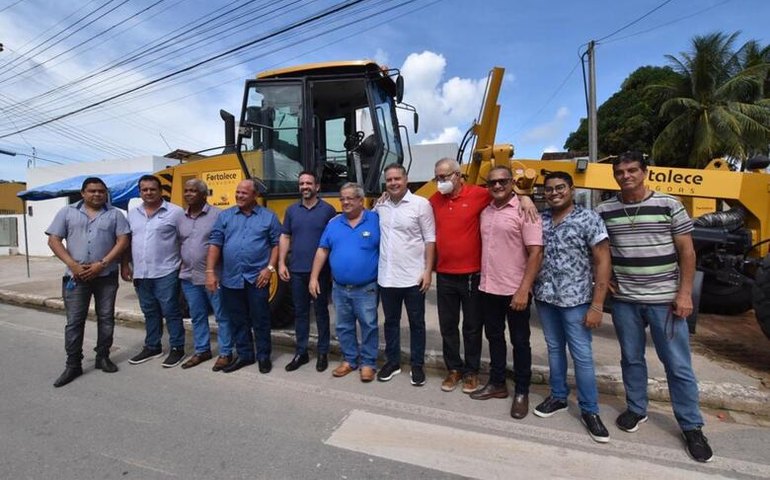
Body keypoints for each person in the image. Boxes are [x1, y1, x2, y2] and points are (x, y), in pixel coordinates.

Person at [595, 151, 713, 462]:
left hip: (665, 301)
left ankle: (691, 426)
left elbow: (687, 253)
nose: (626, 176)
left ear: (645, 172)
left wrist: (685, 293)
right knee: (631, 360)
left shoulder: (669, 205)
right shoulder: (604, 210)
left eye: (632, 170)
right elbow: (598, 251)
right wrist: (604, 281)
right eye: (620, 172)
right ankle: (636, 409)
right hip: (625, 302)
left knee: (677, 366)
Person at [429, 157, 537, 394]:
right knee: (448, 326)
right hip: (445, 275)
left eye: (444, 176)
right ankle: (453, 370)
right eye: (437, 177)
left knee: (472, 327)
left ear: (458, 176)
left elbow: (505, 193)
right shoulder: (434, 200)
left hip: (472, 275)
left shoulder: (479, 194)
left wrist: (525, 197)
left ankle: (471, 372)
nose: (440, 181)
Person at [533, 171, 611, 442]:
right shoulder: (540, 219)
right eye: (549, 190)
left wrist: (597, 304)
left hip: (576, 301)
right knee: (554, 349)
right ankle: (558, 397)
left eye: (560, 188)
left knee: (582, 356)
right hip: (546, 298)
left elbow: (602, 260)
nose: (554, 193)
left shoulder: (588, 218)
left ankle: (590, 410)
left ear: (571, 189)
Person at [470, 165, 542, 422]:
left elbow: (536, 253)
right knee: (495, 338)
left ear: (512, 182)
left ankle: (522, 391)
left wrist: (524, 290)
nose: (497, 186)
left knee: (520, 342)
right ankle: (497, 383)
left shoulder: (525, 211)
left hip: (515, 291)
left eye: (502, 181)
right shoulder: (485, 211)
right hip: (488, 288)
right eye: (492, 183)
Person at [46, 177, 130, 387]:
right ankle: (73, 364)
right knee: (74, 321)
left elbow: (123, 241)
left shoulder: (115, 214)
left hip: (106, 276)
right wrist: (72, 264)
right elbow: (53, 240)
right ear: (83, 193)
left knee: (106, 317)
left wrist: (103, 263)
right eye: (92, 191)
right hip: (76, 276)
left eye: (101, 191)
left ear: (106, 193)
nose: (97, 194)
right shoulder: (67, 213)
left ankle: (103, 356)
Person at [206, 179, 281, 374]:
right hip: (231, 278)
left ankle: (264, 356)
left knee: (261, 319)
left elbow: (276, 244)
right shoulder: (225, 216)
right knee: (238, 320)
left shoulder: (268, 217)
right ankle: (245, 355)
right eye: (237, 192)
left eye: (244, 193)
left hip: (257, 278)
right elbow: (215, 243)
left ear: (255, 195)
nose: (239, 196)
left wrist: (269, 268)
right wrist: (210, 271)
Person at [309, 182, 380, 383]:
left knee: (369, 325)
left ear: (360, 199)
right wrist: (313, 277)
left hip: (366, 288)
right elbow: (322, 250)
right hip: (339, 288)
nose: (345, 202)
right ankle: (350, 359)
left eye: (350, 198)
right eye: (342, 198)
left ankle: (368, 363)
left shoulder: (375, 220)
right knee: (343, 326)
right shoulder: (334, 224)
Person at [375, 163, 435, 386]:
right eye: (389, 180)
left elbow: (430, 239)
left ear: (406, 179)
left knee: (416, 323)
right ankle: (393, 362)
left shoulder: (421, 205)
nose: (393, 183)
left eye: (397, 179)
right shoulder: (381, 207)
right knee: (390, 322)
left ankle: (417, 365)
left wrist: (428, 271)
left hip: (413, 277)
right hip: (387, 277)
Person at [122, 175, 186, 367]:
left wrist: (184, 264)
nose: (148, 192)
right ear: (140, 192)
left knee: (171, 311)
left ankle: (177, 348)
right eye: (144, 189)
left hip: (167, 271)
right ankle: (152, 346)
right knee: (149, 311)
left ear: (160, 191)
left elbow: (185, 239)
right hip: (141, 273)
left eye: (152, 189)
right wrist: (124, 265)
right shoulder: (133, 214)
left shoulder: (176, 212)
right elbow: (126, 242)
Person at [278, 171, 337, 373]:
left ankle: (323, 353)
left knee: (321, 313)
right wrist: (281, 263)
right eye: (301, 183)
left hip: (320, 273)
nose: (305, 187)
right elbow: (285, 237)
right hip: (296, 271)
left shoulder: (328, 210)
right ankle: (301, 352)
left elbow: (332, 241)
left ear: (317, 187)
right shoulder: (292, 210)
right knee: (300, 314)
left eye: (308, 183)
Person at [176, 179, 233, 371]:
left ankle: (225, 353)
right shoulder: (180, 217)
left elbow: (225, 243)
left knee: (222, 316)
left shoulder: (219, 215)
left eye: (193, 191)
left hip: (214, 276)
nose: (189, 194)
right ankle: (202, 350)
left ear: (204, 194)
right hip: (188, 276)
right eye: (186, 190)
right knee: (197, 315)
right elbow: (178, 243)